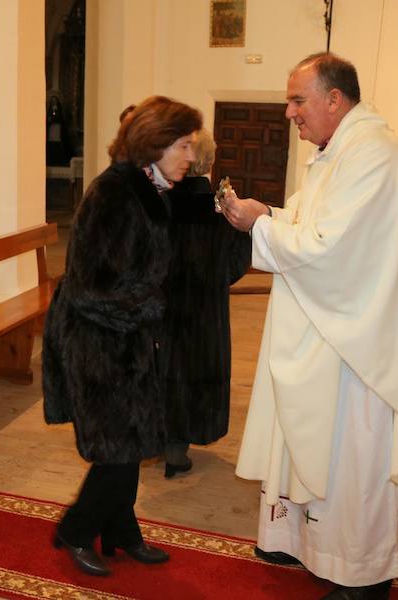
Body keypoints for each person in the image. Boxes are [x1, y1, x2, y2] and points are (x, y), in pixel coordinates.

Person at [221, 53, 398, 599]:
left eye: (298, 100)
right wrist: (268, 216)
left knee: (354, 457)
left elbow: (331, 250)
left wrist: (260, 225)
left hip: (361, 346)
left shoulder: (373, 156)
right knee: (326, 446)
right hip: (333, 332)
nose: (288, 113)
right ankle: (304, 541)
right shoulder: (337, 153)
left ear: (334, 99)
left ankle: (365, 576)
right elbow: (311, 224)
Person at [43, 95, 202, 576]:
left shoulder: (149, 189)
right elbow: (89, 289)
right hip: (96, 342)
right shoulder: (114, 193)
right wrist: (153, 307)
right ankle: (74, 530)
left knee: (131, 444)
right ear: (154, 145)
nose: (191, 157)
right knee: (117, 451)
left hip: (126, 340)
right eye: (184, 146)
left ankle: (121, 531)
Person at [160, 129, 251, 478]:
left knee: (163, 368)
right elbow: (234, 264)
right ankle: (177, 449)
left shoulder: (160, 202)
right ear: (210, 161)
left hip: (164, 306)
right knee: (196, 371)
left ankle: (157, 440)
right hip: (203, 311)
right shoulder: (221, 208)